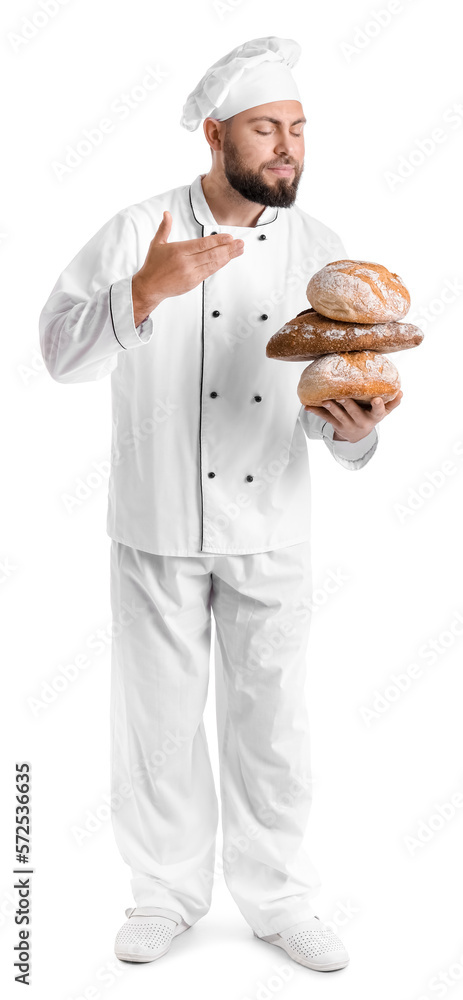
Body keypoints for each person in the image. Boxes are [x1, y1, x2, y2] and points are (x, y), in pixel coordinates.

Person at [39, 36, 402, 973]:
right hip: (156, 523)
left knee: (272, 724)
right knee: (155, 722)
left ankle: (279, 899)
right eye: (265, 129)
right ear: (215, 135)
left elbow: (333, 398)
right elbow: (59, 355)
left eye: (296, 129)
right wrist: (146, 291)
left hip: (272, 525)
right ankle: (163, 895)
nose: (287, 147)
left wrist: (355, 429)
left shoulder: (321, 251)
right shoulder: (135, 230)